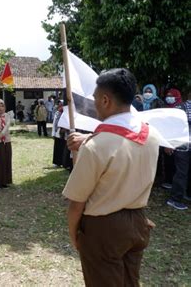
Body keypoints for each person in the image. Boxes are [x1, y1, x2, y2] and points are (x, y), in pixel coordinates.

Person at [63, 68, 160, 286]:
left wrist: (74, 235)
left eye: (95, 98)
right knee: (129, 281)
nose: (94, 104)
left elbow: (76, 203)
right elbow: (125, 140)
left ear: (106, 100)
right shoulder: (151, 135)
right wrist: (89, 138)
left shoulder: (96, 146)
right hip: (138, 222)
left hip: (104, 229)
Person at [165, 89, 190, 210]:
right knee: (182, 172)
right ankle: (175, 199)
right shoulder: (181, 107)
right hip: (183, 146)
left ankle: (187, 194)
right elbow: (173, 126)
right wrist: (169, 144)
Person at [52, 100, 65, 167]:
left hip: (64, 133)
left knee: (63, 148)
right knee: (57, 148)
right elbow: (54, 124)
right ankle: (57, 162)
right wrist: (53, 133)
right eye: (59, 104)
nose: (59, 105)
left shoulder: (66, 113)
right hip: (57, 132)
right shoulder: (57, 112)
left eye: (61, 104)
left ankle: (63, 162)